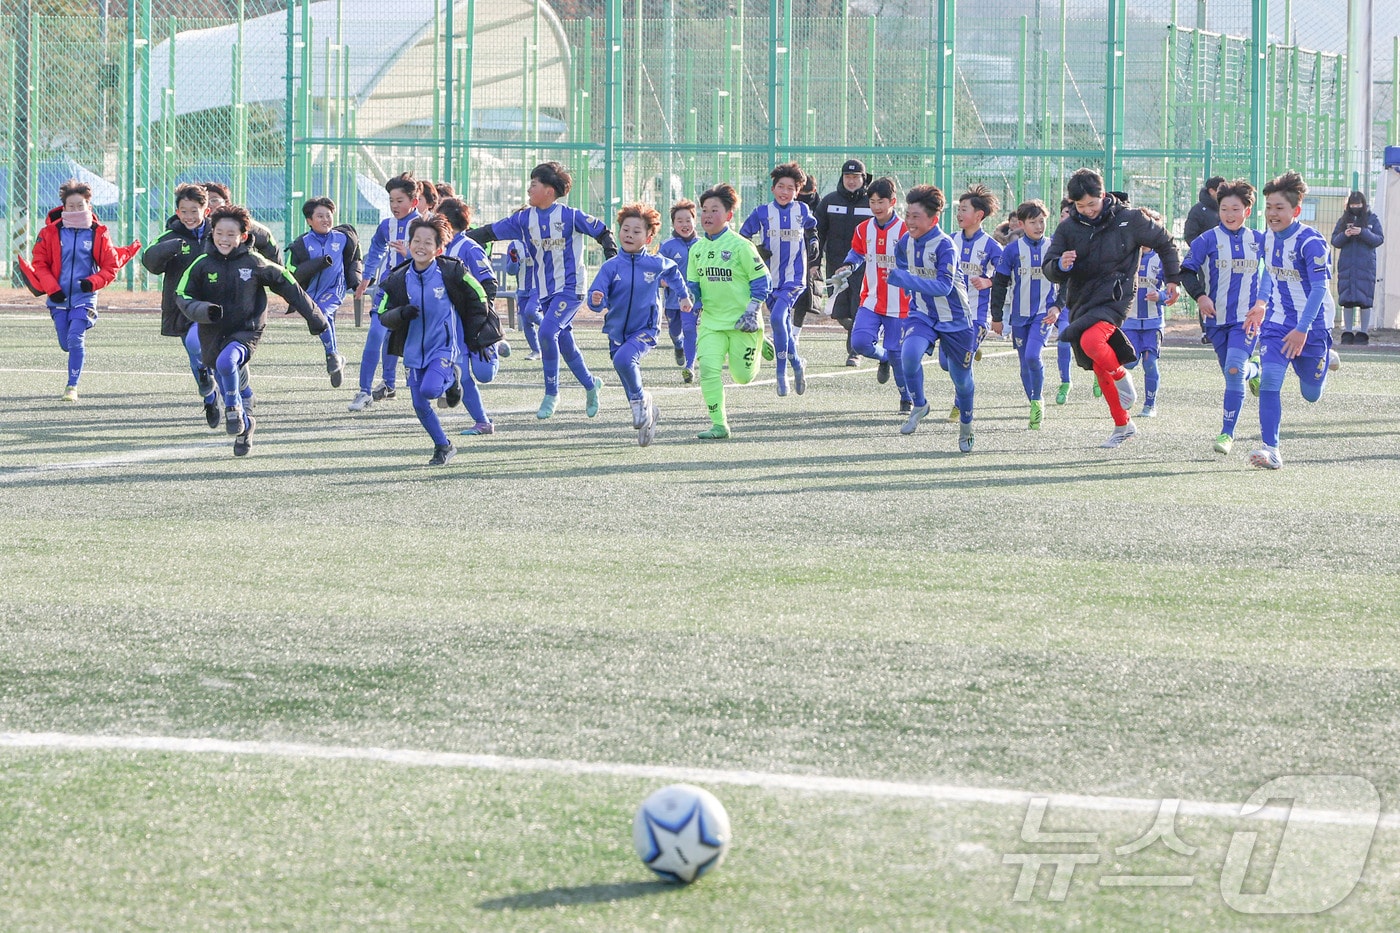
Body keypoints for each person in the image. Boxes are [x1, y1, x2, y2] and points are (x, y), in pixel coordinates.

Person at [468, 161, 617, 420]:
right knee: (565, 344)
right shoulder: (524, 218)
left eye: (533, 184)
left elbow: (604, 232)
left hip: (571, 288)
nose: (528, 189)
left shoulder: (570, 216)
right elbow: (490, 232)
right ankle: (591, 385)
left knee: (547, 331)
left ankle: (551, 394)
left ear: (549, 190)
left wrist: (612, 260)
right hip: (545, 291)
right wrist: (459, 236)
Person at [176, 205, 329, 457]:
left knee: (227, 362)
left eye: (231, 234)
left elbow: (289, 284)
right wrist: (204, 311)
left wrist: (315, 318)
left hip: (246, 331)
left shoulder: (255, 262)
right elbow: (182, 294)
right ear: (212, 233)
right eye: (219, 233)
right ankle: (246, 425)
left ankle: (234, 407)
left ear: (243, 237)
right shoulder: (201, 264)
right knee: (218, 365)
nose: (224, 239)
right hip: (212, 331)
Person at [1043, 168, 1181, 448]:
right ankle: (1122, 424)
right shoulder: (1068, 227)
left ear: (1103, 196)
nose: (1087, 211)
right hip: (1081, 299)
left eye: (1091, 204)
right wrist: (1061, 264)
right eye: (1080, 206)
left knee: (1092, 341)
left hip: (1115, 298)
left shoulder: (1130, 219)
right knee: (1096, 364)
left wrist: (1174, 280)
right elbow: (1050, 266)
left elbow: (1166, 243)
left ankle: (1121, 374)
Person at [377, 215, 497, 466]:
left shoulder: (451, 271)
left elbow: (479, 296)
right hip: (412, 352)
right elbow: (381, 313)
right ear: (409, 244)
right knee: (420, 404)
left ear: (438, 248)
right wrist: (400, 314)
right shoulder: (398, 277)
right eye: (416, 241)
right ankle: (443, 446)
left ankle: (452, 378)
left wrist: (476, 332)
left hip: (444, 347)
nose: (421, 246)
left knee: (430, 389)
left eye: (428, 242)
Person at [1242, 171, 1341, 470]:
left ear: (1295, 210)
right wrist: (1261, 303)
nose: (1272, 213)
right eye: (1269, 207)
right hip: (1277, 322)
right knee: (1271, 380)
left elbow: (1320, 289)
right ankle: (1271, 449)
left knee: (1311, 395)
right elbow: (1267, 273)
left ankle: (1325, 355)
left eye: (1279, 208)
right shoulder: (1268, 237)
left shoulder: (1311, 242)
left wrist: (1303, 330)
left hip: (1313, 325)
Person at [586, 203, 691, 447]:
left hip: (645, 329)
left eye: (636, 231)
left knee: (624, 360)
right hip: (616, 332)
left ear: (649, 236)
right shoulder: (610, 266)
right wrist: (595, 299)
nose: (629, 235)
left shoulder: (654, 263)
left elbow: (674, 271)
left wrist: (683, 296)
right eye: (625, 230)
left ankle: (641, 406)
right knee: (625, 373)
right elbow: (595, 295)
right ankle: (648, 412)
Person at [19, 180, 131, 402]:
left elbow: (111, 267)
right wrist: (53, 288)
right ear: (63, 208)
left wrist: (92, 282)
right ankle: (71, 358)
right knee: (65, 343)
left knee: (75, 337)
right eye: (71, 206)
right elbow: (40, 263)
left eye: (81, 205)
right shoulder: (50, 232)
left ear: (89, 206)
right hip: (58, 298)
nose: (76, 210)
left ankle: (72, 386)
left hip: (85, 298)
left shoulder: (99, 232)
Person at [1180, 180, 1265, 455]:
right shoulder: (1207, 239)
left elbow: (1278, 270)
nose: (1229, 214)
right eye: (1225, 209)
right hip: (1216, 321)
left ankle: (1227, 434)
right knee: (1234, 374)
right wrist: (1200, 296)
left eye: (1235, 209)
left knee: (1233, 370)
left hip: (1247, 320)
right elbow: (1186, 271)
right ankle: (1255, 370)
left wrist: (1264, 303)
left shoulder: (1260, 240)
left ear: (1247, 211)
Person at [890, 183, 976, 453]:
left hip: (956, 319)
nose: (909, 221)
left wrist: (905, 279)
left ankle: (966, 426)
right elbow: (901, 268)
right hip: (923, 314)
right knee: (909, 355)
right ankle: (920, 404)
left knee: (961, 380)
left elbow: (944, 288)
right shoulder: (905, 242)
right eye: (907, 215)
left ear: (933, 219)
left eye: (915, 216)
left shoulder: (945, 246)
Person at [687, 183, 772, 439]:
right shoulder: (697, 248)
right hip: (712, 323)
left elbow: (762, 281)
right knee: (709, 370)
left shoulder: (741, 246)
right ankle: (719, 424)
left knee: (742, 377)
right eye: (704, 210)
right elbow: (694, 285)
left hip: (742, 324)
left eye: (715, 210)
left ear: (728, 216)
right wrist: (691, 300)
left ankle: (758, 340)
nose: (708, 216)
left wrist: (752, 311)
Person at [827, 177, 911, 413]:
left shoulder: (905, 230)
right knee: (860, 343)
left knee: (899, 355)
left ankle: (906, 397)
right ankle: (882, 357)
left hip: (900, 304)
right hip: (871, 300)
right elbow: (858, 252)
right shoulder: (863, 229)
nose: (876, 206)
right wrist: (848, 266)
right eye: (872, 202)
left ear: (893, 202)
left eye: (881, 202)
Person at [138, 183, 220, 426]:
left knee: (220, 355)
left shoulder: (218, 233)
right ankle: (209, 397)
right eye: (183, 211)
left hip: (216, 306)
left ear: (206, 210)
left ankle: (236, 400)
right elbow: (150, 262)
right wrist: (171, 248)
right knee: (195, 350)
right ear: (176, 211)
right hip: (184, 308)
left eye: (194, 211)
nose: (189, 216)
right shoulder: (170, 236)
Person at [739, 161, 818, 396]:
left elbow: (812, 229)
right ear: (773, 188)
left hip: (794, 279)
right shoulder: (762, 212)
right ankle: (797, 364)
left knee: (776, 318)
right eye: (781, 187)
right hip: (768, 280)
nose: (785, 192)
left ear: (797, 191)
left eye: (790, 188)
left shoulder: (802, 211)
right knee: (781, 324)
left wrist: (813, 242)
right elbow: (743, 237)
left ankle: (780, 374)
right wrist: (756, 249)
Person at [439, 196, 510, 435]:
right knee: (459, 371)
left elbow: (489, 283)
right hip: (452, 322)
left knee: (484, 374)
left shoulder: (468, 247)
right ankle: (483, 422)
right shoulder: (439, 247)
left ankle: (495, 344)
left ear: (447, 222)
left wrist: (481, 317)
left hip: (473, 320)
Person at [350, 172, 420, 410]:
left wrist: (409, 254)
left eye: (399, 200)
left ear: (414, 202)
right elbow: (377, 246)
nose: (394, 205)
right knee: (376, 334)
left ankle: (405, 384)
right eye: (391, 200)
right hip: (389, 288)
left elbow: (437, 254)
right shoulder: (386, 225)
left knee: (411, 340)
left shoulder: (423, 226)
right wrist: (366, 278)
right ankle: (364, 391)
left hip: (416, 289)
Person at [990, 199, 1060, 430]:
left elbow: (1069, 281)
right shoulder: (1012, 250)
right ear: (1021, 224)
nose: (1039, 226)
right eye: (1033, 222)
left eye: (1042, 221)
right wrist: (997, 317)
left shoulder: (1054, 247)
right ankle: (1033, 404)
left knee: (1032, 356)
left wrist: (1058, 306)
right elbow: (999, 283)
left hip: (1044, 314)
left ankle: (1038, 400)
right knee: (1023, 364)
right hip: (1019, 316)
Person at [286, 196, 361, 389]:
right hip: (310, 294)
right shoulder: (301, 243)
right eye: (320, 216)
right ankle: (337, 356)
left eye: (328, 215)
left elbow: (355, 258)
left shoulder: (343, 238)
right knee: (324, 321)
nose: (326, 220)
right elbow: (291, 270)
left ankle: (332, 356)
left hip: (334, 289)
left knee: (322, 313)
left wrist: (355, 279)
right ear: (309, 220)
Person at [950, 184, 1003, 422]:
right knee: (946, 362)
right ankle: (973, 349)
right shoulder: (949, 241)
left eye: (964, 209)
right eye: (958, 209)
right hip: (951, 314)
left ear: (979, 215)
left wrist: (988, 281)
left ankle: (960, 404)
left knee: (961, 362)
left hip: (977, 315)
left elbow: (1005, 275)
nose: (959, 214)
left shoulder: (991, 246)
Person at [814, 158, 873, 366]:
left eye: (855, 177)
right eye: (847, 176)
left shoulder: (871, 203)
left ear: (863, 179)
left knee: (859, 308)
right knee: (839, 311)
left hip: (865, 268)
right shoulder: (830, 202)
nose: (851, 181)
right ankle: (860, 331)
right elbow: (817, 234)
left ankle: (855, 352)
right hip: (836, 266)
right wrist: (814, 262)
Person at [1123, 215, 1174, 419]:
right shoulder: (1126, 256)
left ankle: (1150, 404)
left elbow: (1172, 292)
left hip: (1153, 322)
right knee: (1128, 362)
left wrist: (1160, 296)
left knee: (1150, 363)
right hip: (1129, 321)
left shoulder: (1160, 259)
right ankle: (1123, 393)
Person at [1331, 191, 1385, 345]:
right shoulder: (1343, 220)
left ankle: (1363, 332)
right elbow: (1335, 240)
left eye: (1358, 204)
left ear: (1364, 204)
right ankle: (1347, 332)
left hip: (1365, 266)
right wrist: (1346, 234)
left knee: (1365, 300)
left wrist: (1363, 232)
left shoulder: (1372, 218)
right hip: (1347, 266)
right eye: (1352, 205)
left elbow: (1379, 239)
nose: (1355, 207)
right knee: (1347, 299)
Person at [659, 199, 700, 383]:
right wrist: (665, 282)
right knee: (676, 331)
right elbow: (657, 273)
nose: (684, 224)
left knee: (690, 329)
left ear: (695, 221)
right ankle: (678, 345)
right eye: (679, 221)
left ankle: (690, 367)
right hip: (673, 302)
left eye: (688, 220)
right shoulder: (667, 246)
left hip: (695, 301)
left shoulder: (703, 244)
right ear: (673, 223)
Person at [1183, 176, 1227, 345]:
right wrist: (1202, 252)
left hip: (1227, 260)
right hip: (1207, 262)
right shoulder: (1198, 210)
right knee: (1206, 291)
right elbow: (1190, 235)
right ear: (1212, 191)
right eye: (1221, 188)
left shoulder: (1226, 208)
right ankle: (1207, 329)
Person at [202, 181, 279, 264]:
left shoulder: (252, 229)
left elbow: (275, 265)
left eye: (214, 200)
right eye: (204, 201)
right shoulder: (191, 230)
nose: (208, 205)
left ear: (226, 202)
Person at [1053, 198, 1076, 405]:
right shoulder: (1054, 241)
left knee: (1090, 344)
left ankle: (1099, 374)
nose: (1063, 218)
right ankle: (1065, 382)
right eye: (1061, 214)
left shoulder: (1085, 239)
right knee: (1063, 340)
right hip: (1063, 303)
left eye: (1067, 214)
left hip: (1083, 302)